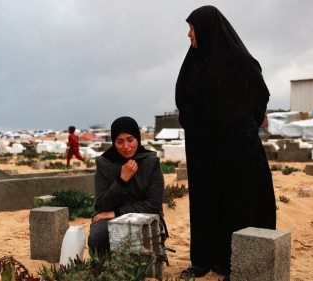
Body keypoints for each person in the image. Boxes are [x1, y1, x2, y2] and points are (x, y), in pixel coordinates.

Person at [175, 6, 276, 278]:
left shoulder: (238, 61)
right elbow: (183, 98)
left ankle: (239, 263)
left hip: (236, 150)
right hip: (204, 151)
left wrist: (242, 128)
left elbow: (258, 95)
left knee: (239, 202)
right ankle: (206, 259)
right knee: (207, 203)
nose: (189, 34)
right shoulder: (194, 63)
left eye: (193, 28)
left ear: (207, 29)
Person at [87, 116, 167, 258]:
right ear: (113, 142)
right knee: (98, 234)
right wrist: (121, 180)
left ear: (137, 138)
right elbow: (101, 205)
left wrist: (117, 213)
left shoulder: (151, 162)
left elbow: (154, 205)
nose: (126, 146)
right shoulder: (104, 164)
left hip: (143, 215)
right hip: (108, 218)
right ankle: (103, 270)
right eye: (119, 141)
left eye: (130, 140)